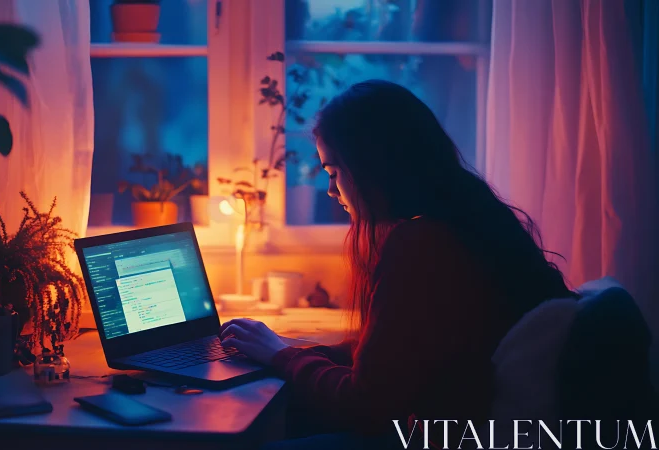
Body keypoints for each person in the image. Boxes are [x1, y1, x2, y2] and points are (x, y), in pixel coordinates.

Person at [219, 80, 576, 448]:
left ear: (371, 167)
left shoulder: (422, 245)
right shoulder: (468, 219)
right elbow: (394, 354)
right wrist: (286, 351)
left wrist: (283, 356)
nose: (330, 190)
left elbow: (366, 407)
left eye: (334, 172)